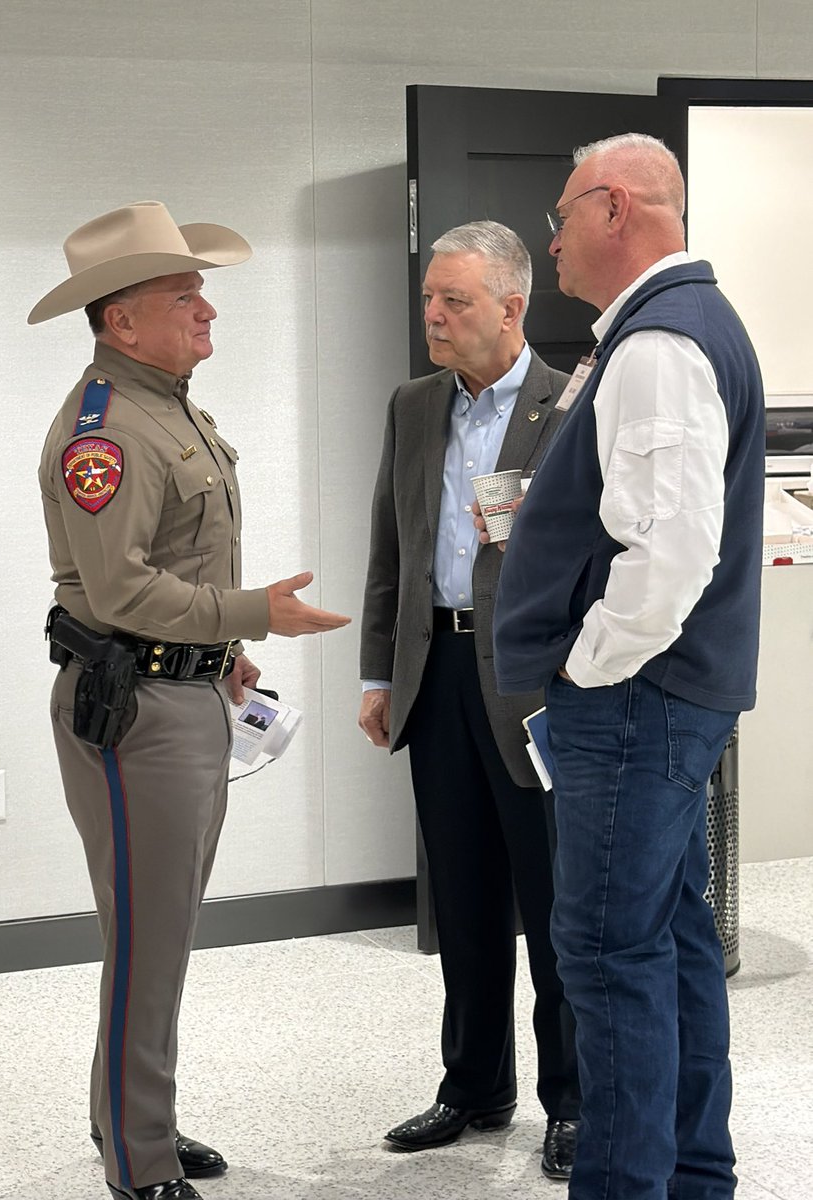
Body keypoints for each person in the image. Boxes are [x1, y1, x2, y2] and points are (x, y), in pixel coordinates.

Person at [32, 201, 350, 1200]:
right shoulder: (108, 432)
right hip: (135, 713)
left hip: (185, 691)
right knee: (149, 936)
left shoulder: (168, 406)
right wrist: (254, 613)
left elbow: (178, 564)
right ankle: (141, 1161)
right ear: (122, 321)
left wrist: (225, 650)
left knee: (156, 931)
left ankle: (129, 1121)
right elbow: (121, 589)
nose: (207, 310)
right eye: (183, 296)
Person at [490, 135, 765, 1199]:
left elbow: (671, 555)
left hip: (636, 700)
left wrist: (589, 666)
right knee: (669, 937)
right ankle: (692, 1175)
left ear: (614, 208)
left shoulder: (658, 344)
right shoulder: (684, 325)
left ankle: (630, 1184)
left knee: (608, 952)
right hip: (666, 696)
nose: (553, 241)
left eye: (561, 216)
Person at [359, 220, 581, 1181]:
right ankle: (475, 1087)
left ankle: (573, 1101)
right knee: (463, 894)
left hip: (534, 685)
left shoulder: (571, 405)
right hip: (437, 674)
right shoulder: (414, 405)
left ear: (511, 307)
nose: (435, 317)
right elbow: (391, 547)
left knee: (556, 901)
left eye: (455, 300)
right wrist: (378, 675)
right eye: (429, 299)